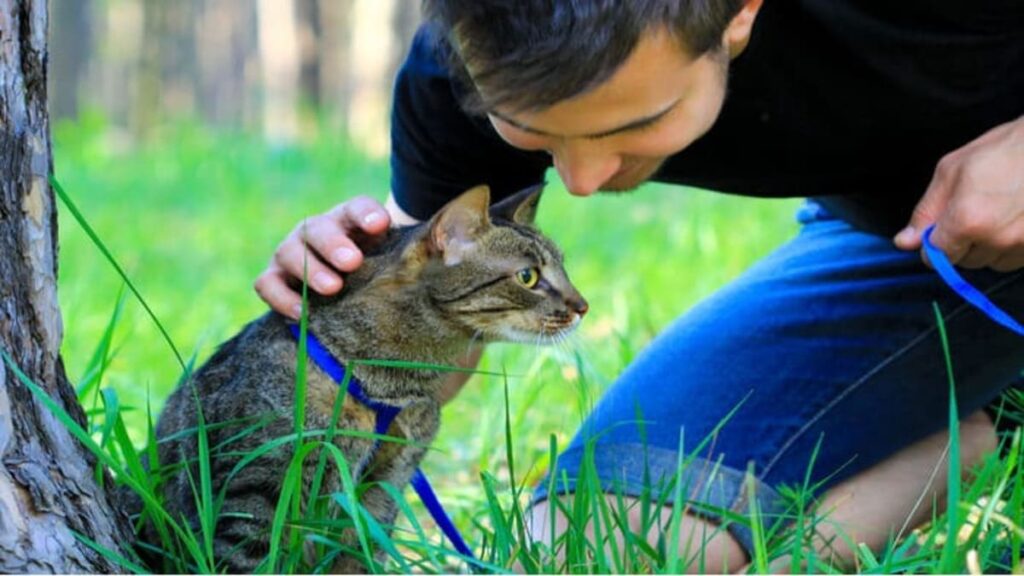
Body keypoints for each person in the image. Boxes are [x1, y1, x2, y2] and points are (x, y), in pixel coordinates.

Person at [255, 0, 1024, 570]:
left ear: (739, 17)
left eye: (634, 124)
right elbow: (430, 333)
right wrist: (355, 312)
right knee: (593, 550)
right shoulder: (473, 56)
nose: (581, 180)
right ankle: (1004, 415)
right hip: (927, 260)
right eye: (532, 130)